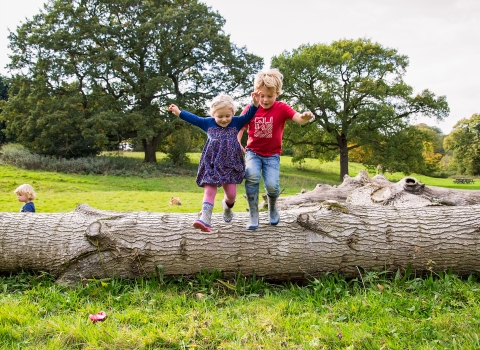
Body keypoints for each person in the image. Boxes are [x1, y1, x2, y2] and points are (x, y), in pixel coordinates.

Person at [168, 91, 261, 232]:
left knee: (231, 195)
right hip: (211, 164)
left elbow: (249, 115)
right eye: (220, 116)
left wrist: (255, 103)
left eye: (227, 116)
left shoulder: (236, 122)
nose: (224, 119)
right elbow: (193, 118)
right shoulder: (208, 123)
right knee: (209, 191)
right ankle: (205, 218)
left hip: (230, 165)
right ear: (213, 115)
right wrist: (179, 112)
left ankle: (227, 207)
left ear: (232, 113)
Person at [238, 68, 315, 230]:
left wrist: (305, 118)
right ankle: (253, 213)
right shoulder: (250, 108)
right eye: (262, 96)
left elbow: (298, 118)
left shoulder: (282, 108)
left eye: (269, 96)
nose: (265, 100)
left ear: (277, 93)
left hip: (272, 155)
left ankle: (272, 206)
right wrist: (237, 144)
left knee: (272, 185)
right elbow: (240, 127)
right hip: (253, 152)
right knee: (251, 175)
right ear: (256, 93)